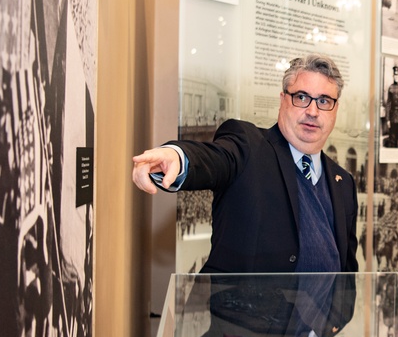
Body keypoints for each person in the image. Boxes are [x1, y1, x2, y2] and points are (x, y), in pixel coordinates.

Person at [131, 53, 358, 274]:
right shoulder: (249, 146)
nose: (312, 111)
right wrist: (178, 157)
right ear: (283, 101)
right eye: (301, 97)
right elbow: (216, 157)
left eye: (324, 101)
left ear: (335, 109)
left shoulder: (343, 183)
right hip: (246, 311)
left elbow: (347, 269)